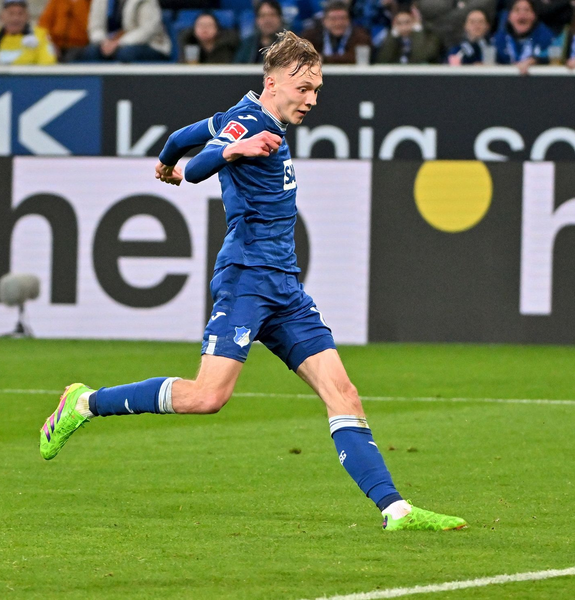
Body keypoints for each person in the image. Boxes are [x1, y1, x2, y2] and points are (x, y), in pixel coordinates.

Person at [39, 30, 466, 533]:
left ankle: (397, 511)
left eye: (317, 90)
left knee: (344, 393)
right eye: (302, 87)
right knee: (207, 397)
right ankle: (83, 403)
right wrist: (231, 153)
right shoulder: (244, 123)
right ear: (273, 82)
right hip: (246, 279)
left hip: (285, 289)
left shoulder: (238, 115)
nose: (311, 99)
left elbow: (181, 142)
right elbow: (199, 164)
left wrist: (163, 165)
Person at [80, 0, 171, 62]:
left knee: (126, 53)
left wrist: (119, 42)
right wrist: (103, 41)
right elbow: (95, 27)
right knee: (92, 52)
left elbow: (149, 29)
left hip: (148, 44)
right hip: (109, 44)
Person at [301, 0, 371, 64]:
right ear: (324, 21)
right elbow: (302, 57)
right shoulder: (311, 35)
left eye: (342, 18)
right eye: (333, 19)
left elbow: (356, 58)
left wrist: (324, 59)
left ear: (349, 20)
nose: (338, 23)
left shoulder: (361, 36)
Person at [494, 0, 553, 72]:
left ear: (534, 16)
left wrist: (535, 61)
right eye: (517, 10)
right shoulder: (499, 39)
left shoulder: (546, 37)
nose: (522, 14)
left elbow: (551, 58)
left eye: (527, 10)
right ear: (509, 17)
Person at [417, 0, 495, 49]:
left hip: (475, 43)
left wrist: (438, 22)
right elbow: (426, 7)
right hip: (436, 42)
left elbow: (483, 4)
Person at [376, 6, 441, 63]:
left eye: (407, 22)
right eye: (399, 23)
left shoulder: (430, 37)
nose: (404, 27)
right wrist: (393, 34)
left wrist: (417, 30)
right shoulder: (389, 37)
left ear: (415, 21)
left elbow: (420, 57)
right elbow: (383, 60)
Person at [0, 0, 56, 64]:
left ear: (27, 16)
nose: (15, 18)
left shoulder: (40, 35)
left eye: (20, 13)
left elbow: (48, 63)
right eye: (11, 13)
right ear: (2, 16)